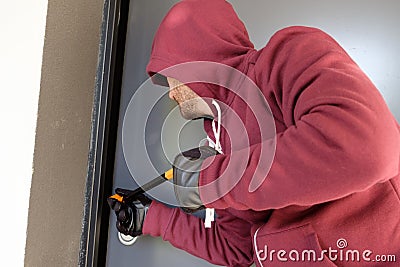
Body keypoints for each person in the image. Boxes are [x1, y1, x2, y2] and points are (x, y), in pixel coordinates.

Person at [108, 0, 400, 266]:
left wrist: (213, 179)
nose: (170, 94)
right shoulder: (220, 148)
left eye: (168, 77)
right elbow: (238, 249)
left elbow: (369, 150)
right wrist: (151, 218)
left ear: (197, 56)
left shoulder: (286, 56)